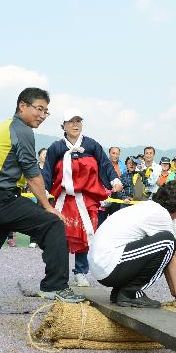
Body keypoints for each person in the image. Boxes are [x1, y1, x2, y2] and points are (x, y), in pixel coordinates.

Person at [0, 88, 85, 335]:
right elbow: (31, 171)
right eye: (38, 108)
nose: (42, 115)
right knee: (52, 223)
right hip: (1, 201)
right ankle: (54, 285)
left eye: (46, 111)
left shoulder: (4, 127)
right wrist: (48, 207)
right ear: (22, 106)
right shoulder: (22, 130)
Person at [43, 109, 123, 288]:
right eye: (71, 121)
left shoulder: (92, 145)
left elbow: (104, 163)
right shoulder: (56, 147)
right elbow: (47, 171)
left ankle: (80, 273)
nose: (75, 124)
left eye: (78, 121)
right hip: (64, 199)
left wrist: (114, 179)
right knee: (60, 236)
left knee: (86, 235)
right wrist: (45, 192)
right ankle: (59, 273)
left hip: (86, 199)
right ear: (63, 125)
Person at [88, 181, 176, 307]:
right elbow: (172, 254)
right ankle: (130, 293)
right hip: (108, 265)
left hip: (102, 266)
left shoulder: (147, 206)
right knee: (168, 241)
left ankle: (120, 292)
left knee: (163, 245)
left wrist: (174, 291)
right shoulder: (161, 213)